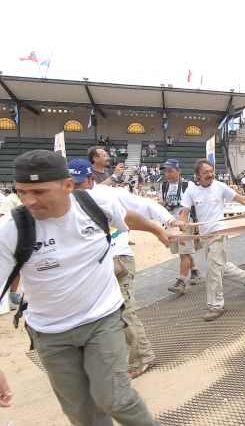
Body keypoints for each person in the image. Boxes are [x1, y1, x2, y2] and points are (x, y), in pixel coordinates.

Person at [0, 150, 161, 424]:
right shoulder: (12, 229)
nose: (29, 201)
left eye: (39, 192)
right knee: (82, 414)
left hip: (102, 320)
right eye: (22, 192)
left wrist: (160, 230)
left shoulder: (93, 205)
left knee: (115, 399)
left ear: (67, 186)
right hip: (51, 334)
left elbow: (127, 217)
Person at [68, 158, 177, 379]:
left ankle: (143, 356)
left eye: (80, 182)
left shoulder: (106, 195)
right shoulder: (63, 200)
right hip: (90, 266)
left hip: (117, 259)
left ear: (91, 178)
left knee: (124, 310)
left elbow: (140, 209)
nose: (77, 188)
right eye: (72, 183)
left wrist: (168, 223)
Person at [179, 159, 245, 321]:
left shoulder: (220, 186)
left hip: (219, 233)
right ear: (197, 176)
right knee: (220, 266)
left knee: (213, 270)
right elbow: (184, 212)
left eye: (211, 171)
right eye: (205, 172)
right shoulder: (191, 191)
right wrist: (182, 229)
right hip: (205, 237)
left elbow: (243, 200)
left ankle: (215, 306)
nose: (210, 174)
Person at [159, 159, 203, 294]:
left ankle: (181, 282)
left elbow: (194, 205)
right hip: (171, 223)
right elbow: (162, 204)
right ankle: (195, 271)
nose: (168, 174)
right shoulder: (163, 186)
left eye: (171, 171)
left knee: (184, 253)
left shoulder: (187, 185)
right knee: (183, 252)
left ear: (179, 171)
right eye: (166, 171)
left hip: (185, 222)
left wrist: (196, 224)